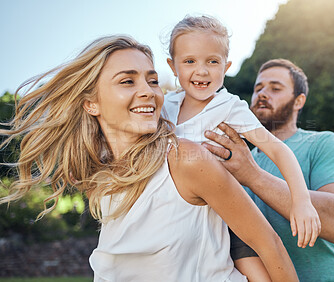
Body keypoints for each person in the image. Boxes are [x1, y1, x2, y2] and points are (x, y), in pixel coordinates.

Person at [0, 36, 298, 281]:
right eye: (127, 82)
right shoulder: (105, 177)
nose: (147, 92)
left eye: (153, 81)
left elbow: (269, 245)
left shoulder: (186, 159)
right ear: (91, 103)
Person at [163, 14, 320, 256]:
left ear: (226, 67)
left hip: (208, 224)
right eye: (190, 61)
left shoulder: (228, 107)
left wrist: (301, 202)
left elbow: (279, 149)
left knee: (255, 266)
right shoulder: (165, 105)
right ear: (173, 66)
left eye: (212, 62)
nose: (202, 71)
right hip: (164, 218)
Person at [203, 58, 334, 281]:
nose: (262, 94)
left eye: (275, 88)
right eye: (258, 88)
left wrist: (253, 176)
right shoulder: (239, 160)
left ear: (299, 101)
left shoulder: (323, 144)